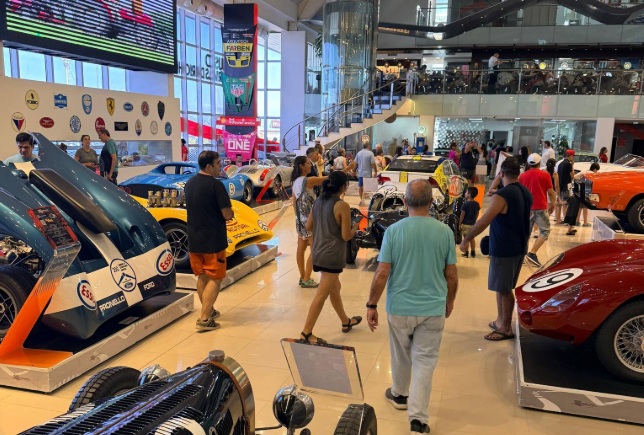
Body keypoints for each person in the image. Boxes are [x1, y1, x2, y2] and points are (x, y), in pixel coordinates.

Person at [366, 179, 458, 435]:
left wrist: (371, 304)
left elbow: (382, 273)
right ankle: (418, 420)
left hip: (400, 306)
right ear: (431, 202)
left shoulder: (394, 231)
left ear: (405, 201)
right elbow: (451, 274)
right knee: (425, 362)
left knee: (400, 353)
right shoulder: (445, 232)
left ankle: (399, 394)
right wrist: (450, 300)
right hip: (432, 309)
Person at [459, 157, 532, 341]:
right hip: (519, 245)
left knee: (505, 289)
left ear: (502, 173)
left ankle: (505, 328)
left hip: (505, 248)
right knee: (502, 287)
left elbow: (484, 221)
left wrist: (467, 238)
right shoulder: (525, 192)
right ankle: (500, 321)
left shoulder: (503, 195)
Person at [299, 171, 362, 345]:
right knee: (321, 294)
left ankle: (345, 321)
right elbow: (346, 236)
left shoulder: (318, 201)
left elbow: (309, 226)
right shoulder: (342, 205)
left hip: (318, 252)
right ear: (344, 186)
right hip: (332, 256)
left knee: (335, 288)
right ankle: (306, 333)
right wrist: (355, 226)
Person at [185, 151, 234, 331]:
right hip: (213, 240)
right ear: (209, 166)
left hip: (194, 238)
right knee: (215, 277)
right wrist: (231, 214)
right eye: (218, 163)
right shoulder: (216, 185)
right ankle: (204, 318)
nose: (221, 166)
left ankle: (209, 310)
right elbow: (226, 214)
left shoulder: (189, 183)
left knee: (202, 276)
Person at [292, 156, 327, 288]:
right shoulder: (308, 180)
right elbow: (326, 179)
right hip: (310, 221)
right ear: (301, 166)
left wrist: (299, 218)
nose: (310, 165)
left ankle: (302, 276)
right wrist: (346, 170)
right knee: (315, 249)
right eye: (308, 163)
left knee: (300, 248)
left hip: (300, 220)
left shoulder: (295, 182)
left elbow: (294, 202)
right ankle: (307, 278)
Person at [519, 153, 556, 267]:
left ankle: (522, 255)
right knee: (545, 231)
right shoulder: (545, 175)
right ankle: (532, 253)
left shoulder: (522, 176)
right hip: (540, 207)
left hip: (526, 208)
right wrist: (553, 204)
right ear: (539, 162)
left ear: (528, 163)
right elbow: (551, 192)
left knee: (526, 232)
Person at [574, 162, 600, 226]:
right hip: (587, 193)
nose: (596, 171)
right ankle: (585, 222)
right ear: (595, 169)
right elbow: (591, 184)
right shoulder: (592, 174)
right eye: (597, 170)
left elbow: (575, 178)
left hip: (580, 191)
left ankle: (577, 221)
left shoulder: (584, 172)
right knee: (585, 208)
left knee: (580, 207)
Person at [459, 187, 481, 258]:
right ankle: (473, 252)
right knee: (472, 238)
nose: (465, 194)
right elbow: (477, 213)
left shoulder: (465, 204)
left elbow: (462, 214)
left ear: (469, 194)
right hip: (473, 224)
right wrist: (475, 219)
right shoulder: (477, 204)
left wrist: (460, 223)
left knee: (466, 239)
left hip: (465, 224)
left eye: (466, 192)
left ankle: (466, 252)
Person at [555, 150, 575, 224]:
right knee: (565, 203)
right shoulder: (568, 164)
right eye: (573, 156)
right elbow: (572, 176)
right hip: (566, 187)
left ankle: (558, 219)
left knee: (559, 203)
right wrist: (572, 165)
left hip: (560, 186)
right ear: (571, 156)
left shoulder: (560, 164)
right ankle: (566, 220)